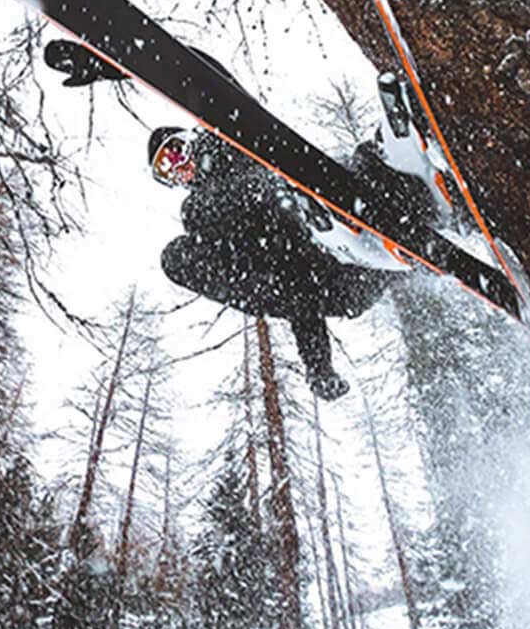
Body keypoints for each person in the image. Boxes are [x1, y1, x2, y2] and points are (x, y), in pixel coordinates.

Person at [44, 39, 448, 401]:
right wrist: (318, 367)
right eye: (167, 170)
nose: (179, 167)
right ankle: (355, 238)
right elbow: (294, 299)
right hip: (335, 280)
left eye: (176, 152)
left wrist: (112, 60)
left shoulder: (231, 139)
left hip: (327, 202)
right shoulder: (204, 218)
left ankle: (405, 170)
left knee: (354, 168)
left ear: (189, 139)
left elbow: (198, 70)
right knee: (179, 249)